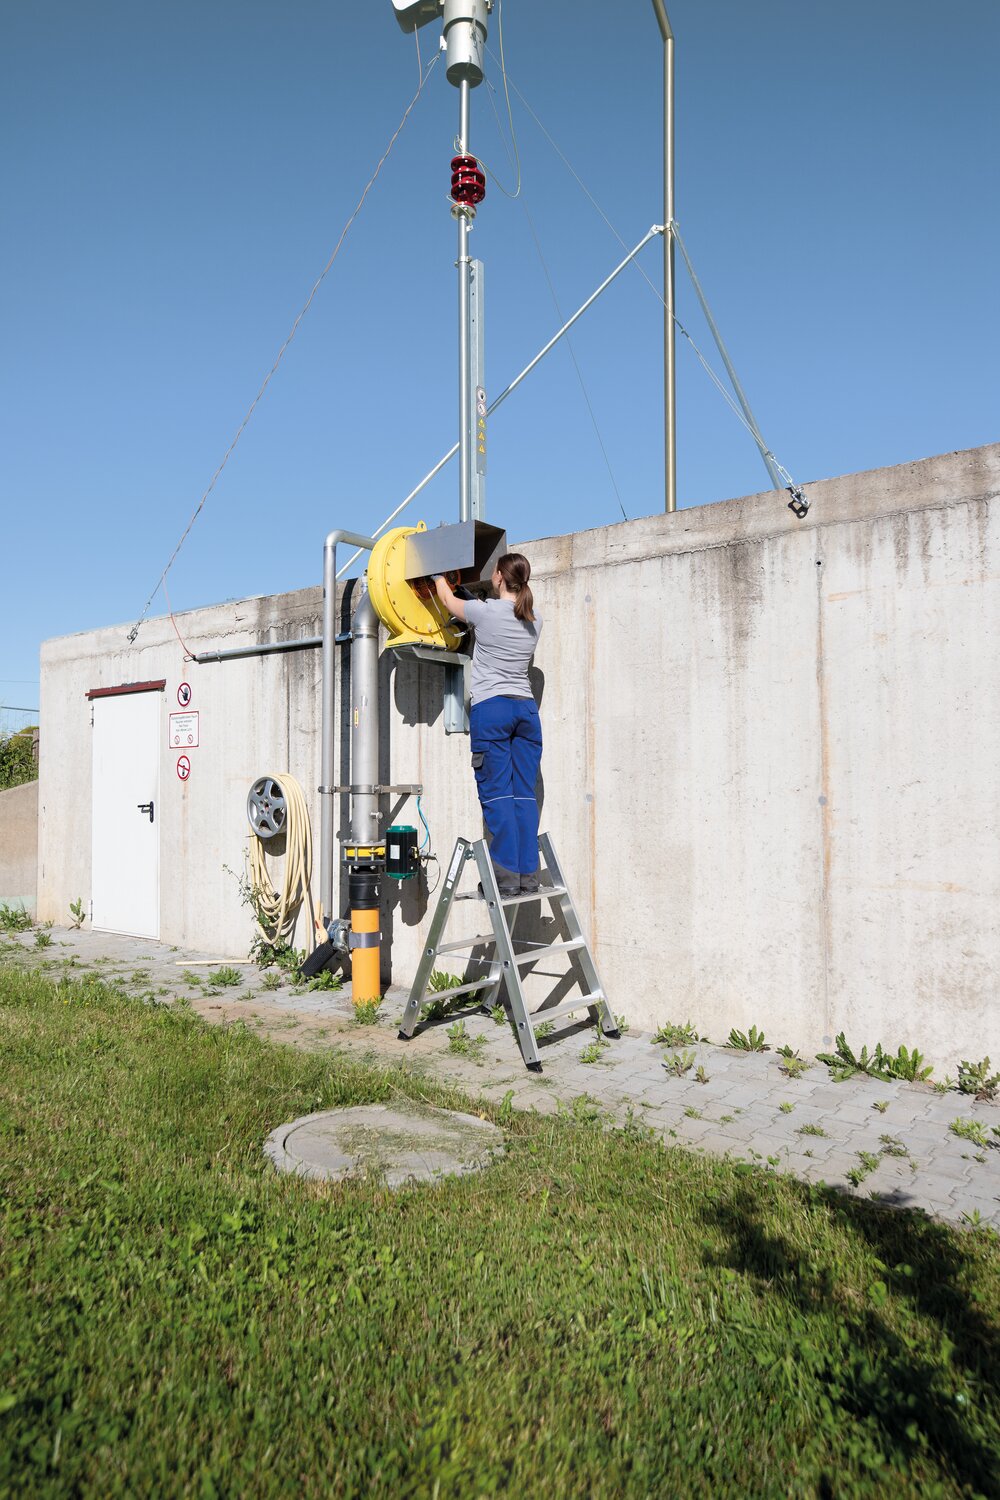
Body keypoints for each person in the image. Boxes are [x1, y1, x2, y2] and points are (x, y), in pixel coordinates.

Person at [434, 553, 542, 897]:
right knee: (523, 795)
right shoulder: (535, 621)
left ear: (497, 576)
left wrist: (436, 575)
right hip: (526, 712)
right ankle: (527, 877)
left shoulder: (485, 612)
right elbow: (491, 614)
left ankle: (505, 881)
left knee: (497, 794)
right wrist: (472, 600)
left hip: (493, 710)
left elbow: (448, 601)